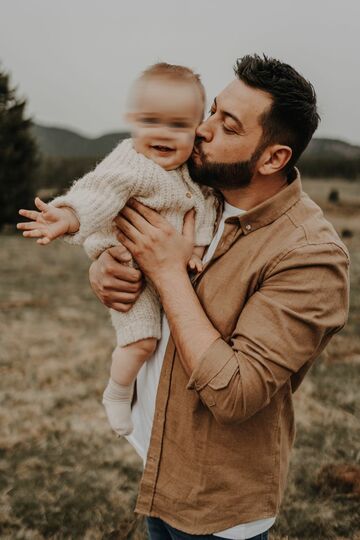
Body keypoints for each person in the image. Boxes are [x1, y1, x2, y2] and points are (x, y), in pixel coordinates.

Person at [92, 54, 350, 540]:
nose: (203, 129)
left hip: (219, 507)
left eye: (227, 125)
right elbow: (120, 245)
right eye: (211, 111)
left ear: (274, 158)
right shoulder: (190, 188)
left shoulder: (311, 256)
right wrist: (105, 270)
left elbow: (236, 393)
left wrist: (167, 272)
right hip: (160, 460)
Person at [17, 63, 217, 437]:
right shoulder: (133, 163)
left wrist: (196, 251)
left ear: (197, 129)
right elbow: (99, 192)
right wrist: (68, 216)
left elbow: (203, 211)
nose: (162, 133)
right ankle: (117, 391)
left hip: (171, 278)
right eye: (150, 121)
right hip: (132, 273)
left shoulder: (195, 175)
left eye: (178, 125)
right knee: (142, 341)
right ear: (133, 121)